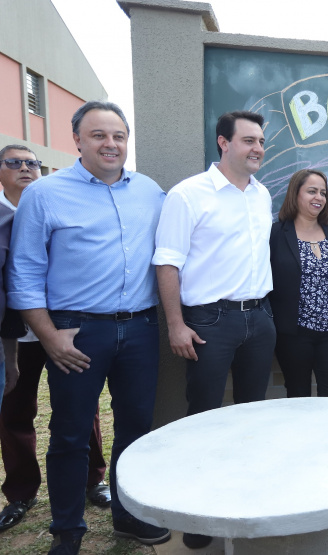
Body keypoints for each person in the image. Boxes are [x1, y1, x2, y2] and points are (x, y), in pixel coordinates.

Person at [6, 101, 170, 554]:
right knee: (70, 433)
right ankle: (67, 531)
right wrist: (48, 336)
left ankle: (129, 517)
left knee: (136, 428)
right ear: (77, 139)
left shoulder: (150, 191)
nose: (110, 144)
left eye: (118, 135)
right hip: (76, 333)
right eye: (99, 135)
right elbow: (24, 271)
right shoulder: (45, 194)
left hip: (140, 329)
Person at [153, 110, 275, 550]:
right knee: (203, 417)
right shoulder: (188, 195)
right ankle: (200, 514)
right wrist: (176, 324)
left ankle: (242, 501)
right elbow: (167, 262)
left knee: (250, 415)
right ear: (223, 143)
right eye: (248, 140)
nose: (258, 148)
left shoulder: (262, 194)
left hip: (259, 318)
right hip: (209, 322)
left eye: (261, 141)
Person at [0, 145, 110, 534]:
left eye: (33, 163)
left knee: (82, 407)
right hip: (15, 335)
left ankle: (93, 480)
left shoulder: (54, 205)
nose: (26, 168)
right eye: (14, 162)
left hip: (65, 326)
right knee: (14, 411)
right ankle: (21, 492)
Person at [269, 169, 328, 397]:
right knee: (298, 395)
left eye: (323, 193)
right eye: (312, 191)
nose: (319, 198)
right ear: (295, 194)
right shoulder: (276, 234)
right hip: (293, 335)